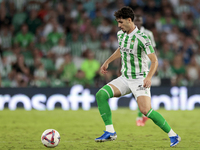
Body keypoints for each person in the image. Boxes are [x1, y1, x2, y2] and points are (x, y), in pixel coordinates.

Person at [95, 6, 181, 147]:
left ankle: (173, 135)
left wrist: (148, 77)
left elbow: (154, 60)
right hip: (124, 78)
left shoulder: (142, 38)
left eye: (121, 22)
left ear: (129, 20)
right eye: (118, 22)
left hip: (139, 79)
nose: (119, 25)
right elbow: (121, 49)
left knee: (145, 111)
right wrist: (107, 61)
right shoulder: (120, 34)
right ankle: (110, 131)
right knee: (101, 95)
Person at [134, 14, 156, 126]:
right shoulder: (128, 33)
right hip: (133, 67)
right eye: (135, 21)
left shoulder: (148, 33)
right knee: (141, 92)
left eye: (139, 21)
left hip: (145, 67)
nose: (137, 23)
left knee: (141, 91)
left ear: (142, 22)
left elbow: (153, 50)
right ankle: (145, 114)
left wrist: (153, 66)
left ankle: (140, 117)